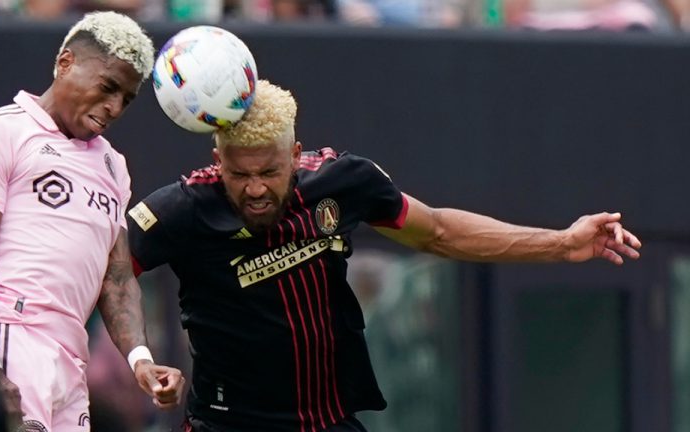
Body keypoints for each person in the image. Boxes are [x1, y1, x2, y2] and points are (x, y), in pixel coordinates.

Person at [126, 79, 642, 432]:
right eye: (239, 175)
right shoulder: (180, 209)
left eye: (270, 172)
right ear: (216, 160)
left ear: (295, 154)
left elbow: (438, 231)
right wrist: (141, 360)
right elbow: (103, 275)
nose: (256, 188)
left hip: (328, 421)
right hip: (224, 423)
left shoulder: (343, 182)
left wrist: (560, 243)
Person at [0, 11, 184, 432]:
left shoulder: (112, 165)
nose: (113, 107)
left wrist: (140, 360)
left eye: (125, 99)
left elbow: (118, 278)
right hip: (10, 338)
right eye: (108, 87)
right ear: (66, 63)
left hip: (71, 361)